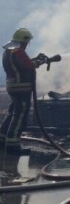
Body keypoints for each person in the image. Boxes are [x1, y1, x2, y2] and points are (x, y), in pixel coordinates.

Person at [1, 28, 48, 156]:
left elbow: (23, 64)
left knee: (12, 114)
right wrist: (41, 61)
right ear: (24, 41)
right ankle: (12, 146)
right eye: (27, 43)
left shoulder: (8, 51)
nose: (27, 45)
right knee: (20, 116)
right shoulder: (18, 51)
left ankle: (2, 140)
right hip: (21, 88)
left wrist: (36, 60)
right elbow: (28, 66)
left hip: (12, 87)